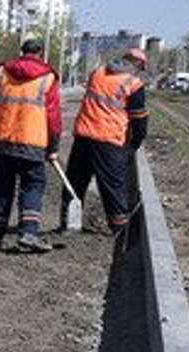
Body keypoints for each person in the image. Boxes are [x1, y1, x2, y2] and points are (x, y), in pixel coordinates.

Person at [0, 38, 63, 253]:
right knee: (33, 186)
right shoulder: (47, 77)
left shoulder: (2, 71)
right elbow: (53, 117)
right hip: (32, 142)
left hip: (1, 141)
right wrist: (53, 146)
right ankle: (28, 232)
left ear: (22, 51)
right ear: (40, 53)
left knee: (1, 188)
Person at [63, 48, 149, 235]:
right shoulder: (133, 83)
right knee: (112, 186)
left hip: (83, 137)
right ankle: (119, 229)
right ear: (139, 66)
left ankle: (68, 224)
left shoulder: (97, 73)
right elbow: (139, 118)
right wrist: (135, 143)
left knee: (75, 183)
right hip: (109, 140)